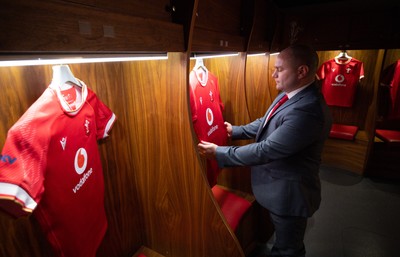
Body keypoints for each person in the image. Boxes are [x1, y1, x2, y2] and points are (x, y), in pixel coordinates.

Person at [198, 44, 332, 257]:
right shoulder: (291, 93)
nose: (273, 74)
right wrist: (236, 130)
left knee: (288, 249)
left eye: (279, 69)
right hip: (277, 188)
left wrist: (220, 152)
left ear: (302, 71)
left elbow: (266, 150)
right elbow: (267, 121)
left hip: (290, 196)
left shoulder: (308, 110)